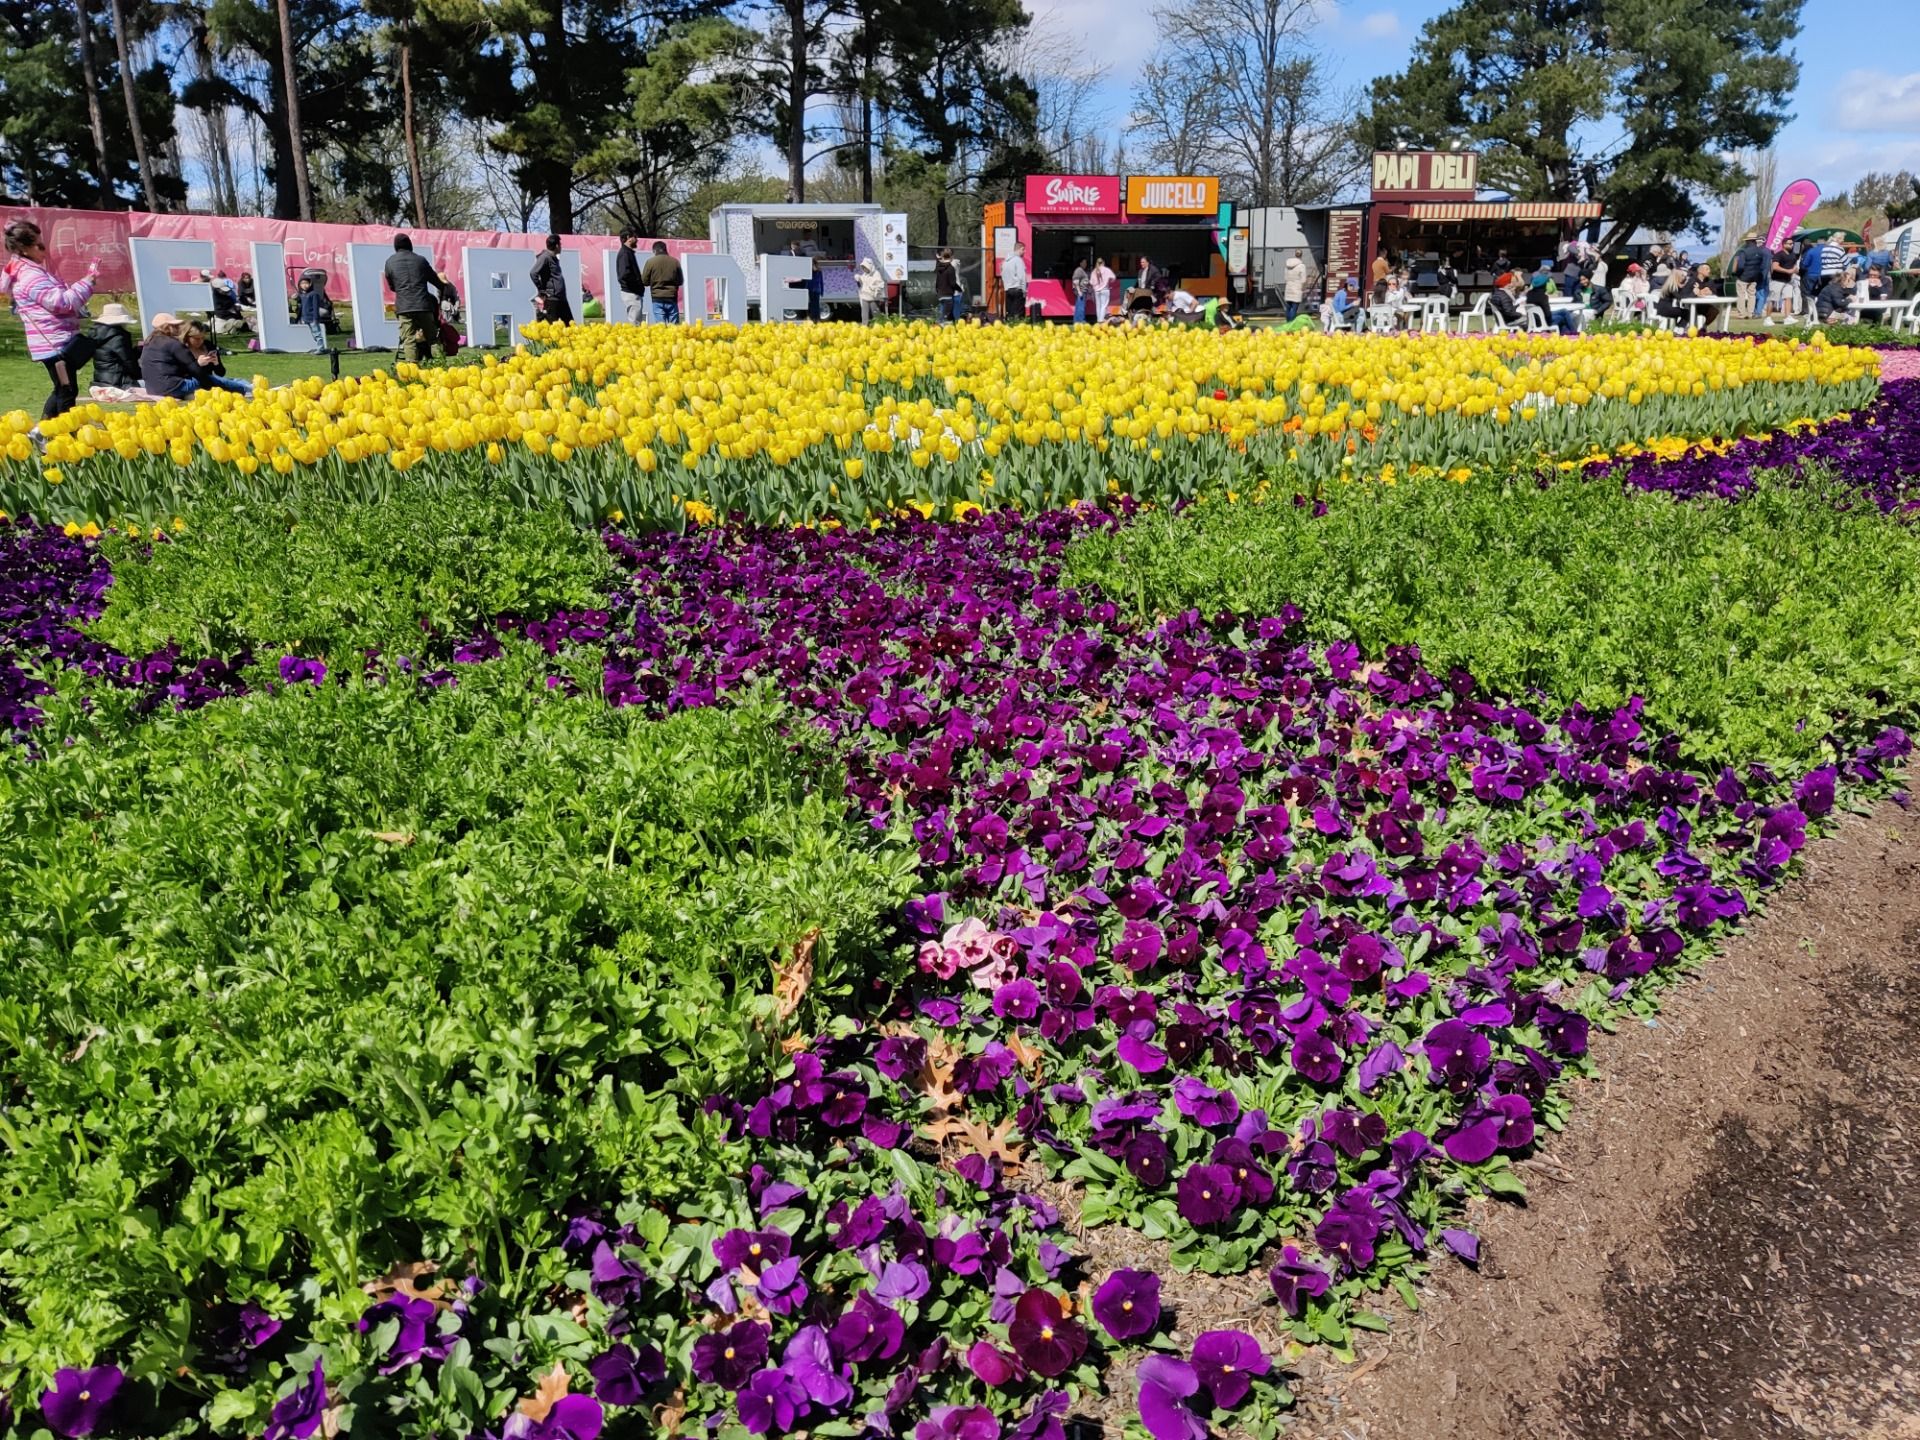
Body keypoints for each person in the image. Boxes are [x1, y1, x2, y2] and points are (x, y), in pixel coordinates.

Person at [4, 220, 100, 420]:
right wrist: (86, 283)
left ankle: (45, 431)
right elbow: (61, 303)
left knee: (63, 389)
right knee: (66, 391)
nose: (44, 250)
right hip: (55, 344)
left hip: (53, 342)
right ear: (24, 248)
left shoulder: (26, 271)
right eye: (39, 246)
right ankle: (64, 436)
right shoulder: (30, 276)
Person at [382, 234, 448, 363]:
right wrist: (444, 286)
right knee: (433, 338)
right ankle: (441, 366)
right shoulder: (420, 260)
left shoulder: (390, 262)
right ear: (410, 245)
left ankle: (412, 371)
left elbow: (392, 286)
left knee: (409, 339)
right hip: (423, 305)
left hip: (404, 307)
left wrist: (403, 290)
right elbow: (435, 281)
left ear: (395, 247)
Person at [183, 320, 255, 396]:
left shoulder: (208, 345)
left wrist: (216, 363)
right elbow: (182, 373)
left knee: (235, 380)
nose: (200, 341)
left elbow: (221, 373)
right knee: (217, 380)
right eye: (197, 339)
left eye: (202, 338)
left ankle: (249, 387)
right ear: (187, 337)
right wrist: (198, 364)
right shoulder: (182, 349)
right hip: (199, 381)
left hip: (214, 379)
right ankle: (246, 389)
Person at [138, 314, 201, 399]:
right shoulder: (173, 343)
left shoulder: (148, 342)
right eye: (175, 326)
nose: (179, 327)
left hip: (152, 389)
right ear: (168, 327)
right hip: (172, 387)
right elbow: (194, 369)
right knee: (215, 381)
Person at [87, 302, 142, 389]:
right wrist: (141, 375)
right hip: (118, 382)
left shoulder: (96, 334)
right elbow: (129, 362)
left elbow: (109, 357)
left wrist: (136, 350)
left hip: (100, 381)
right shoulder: (118, 337)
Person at [530, 233, 572, 324]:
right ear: (557, 245)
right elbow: (533, 273)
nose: (561, 247)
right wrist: (541, 289)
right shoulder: (545, 257)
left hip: (561, 298)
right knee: (553, 327)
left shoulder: (553, 258)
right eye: (560, 245)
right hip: (552, 299)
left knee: (570, 326)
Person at [641, 241, 682, 324]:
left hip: (657, 298)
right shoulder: (675, 262)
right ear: (665, 249)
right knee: (674, 328)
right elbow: (680, 281)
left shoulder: (650, 262)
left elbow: (644, 281)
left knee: (661, 327)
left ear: (655, 251)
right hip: (672, 297)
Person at [1731, 234, 1768, 320]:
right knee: (1752, 295)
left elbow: (1740, 266)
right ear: (1755, 241)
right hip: (1754, 277)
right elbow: (1762, 265)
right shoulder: (1760, 252)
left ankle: (1741, 314)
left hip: (1744, 276)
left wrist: (1737, 274)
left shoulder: (1744, 252)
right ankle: (1750, 313)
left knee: (1741, 295)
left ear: (1748, 241)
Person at [615, 230, 647, 323]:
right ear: (629, 237)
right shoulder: (625, 254)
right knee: (635, 323)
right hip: (631, 292)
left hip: (634, 292)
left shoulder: (628, 253)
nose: (637, 239)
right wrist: (637, 281)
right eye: (635, 237)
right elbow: (624, 274)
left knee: (636, 322)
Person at [296, 277, 327, 353]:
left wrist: (316, 318)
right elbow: (301, 307)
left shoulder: (313, 294)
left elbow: (315, 307)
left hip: (312, 318)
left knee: (317, 334)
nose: (304, 285)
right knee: (313, 335)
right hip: (305, 318)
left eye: (306, 283)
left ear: (310, 284)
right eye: (302, 284)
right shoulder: (302, 295)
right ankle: (318, 347)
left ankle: (321, 348)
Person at [934, 248, 964, 322]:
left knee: (944, 312)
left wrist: (937, 291)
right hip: (953, 292)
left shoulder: (940, 266)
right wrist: (960, 289)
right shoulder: (953, 264)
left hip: (942, 293)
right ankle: (953, 324)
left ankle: (941, 325)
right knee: (953, 313)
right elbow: (953, 283)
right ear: (952, 256)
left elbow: (937, 282)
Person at [1002, 242, 1029, 320]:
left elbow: (1003, 275)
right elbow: (1022, 277)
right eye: (1023, 250)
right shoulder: (1018, 260)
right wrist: (1024, 291)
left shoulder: (1005, 262)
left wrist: (1006, 288)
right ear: (1021, 249)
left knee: (1010, 314)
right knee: (1018, 316)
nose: (1024, 252)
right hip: (1017, 290)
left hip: (1008, 290)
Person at [857, 257, 887, 323]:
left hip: (873, 297)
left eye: (865, 267)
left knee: (875, 312)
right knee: (864, 313)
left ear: (869, 266)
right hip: (865, 296)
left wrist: (876, 289)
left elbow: (880, 284)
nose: (864, 269)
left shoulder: (876, 274)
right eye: (863, 267)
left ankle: (879, 325)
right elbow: (862, 282)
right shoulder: (865, 274)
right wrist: (858, 278)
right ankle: (865, 326)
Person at [1283, 249, 1307, 321]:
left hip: (1288, 288)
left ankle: (1287, 323)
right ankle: (1292, 324)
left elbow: (1285, 277)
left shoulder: (1287, 265)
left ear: (1295, 254)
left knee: (1288, 308)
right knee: (1294, 309)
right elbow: (1303, 280)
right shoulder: (1301, 266)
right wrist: (1302, 288)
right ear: (1301, 255)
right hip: (1297, 289)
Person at [1089, 256, 1114, 323]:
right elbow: (1112, 278)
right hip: (1105, 289)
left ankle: (1098, 320)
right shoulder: (1106, 270)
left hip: (1097, 291)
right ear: (1103, 263)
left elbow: (1091, 282)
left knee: (1098, 306)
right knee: (1104, 305)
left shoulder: (1094, 271)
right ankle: (1101, 320)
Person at [1070, 257, 1090, 324]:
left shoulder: (1082, 270)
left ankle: (1077, 321)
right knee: (1081, 306)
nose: (1085, 264)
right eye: (1084, 262)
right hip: (1081, 291)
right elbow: (1076, 281)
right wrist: (1079, 291)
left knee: (1079, 305)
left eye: (1086, 263)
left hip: (1082, 291)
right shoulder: (1078, 270)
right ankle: (1081, 321)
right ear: (1080, 263)